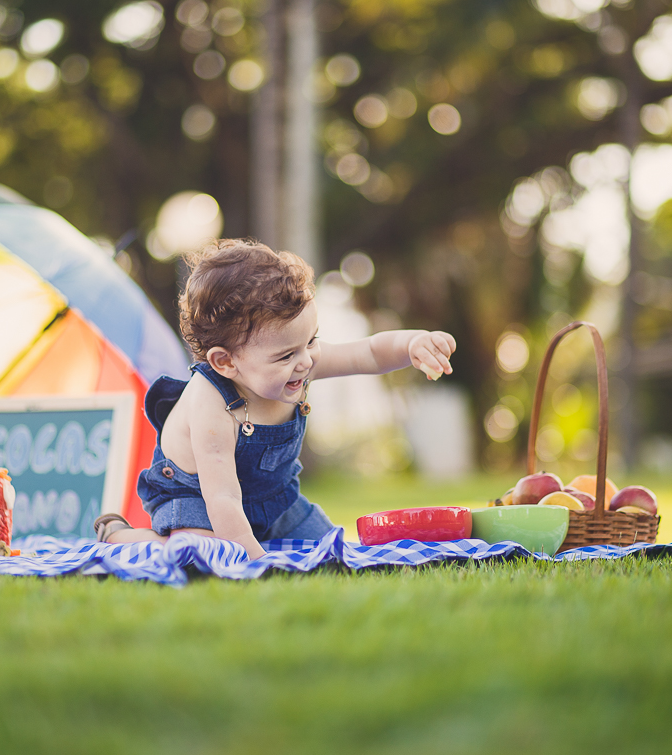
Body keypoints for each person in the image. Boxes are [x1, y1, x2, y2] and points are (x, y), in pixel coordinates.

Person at [94, 239, 456, 559]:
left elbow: (371, 354)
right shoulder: (211, 404)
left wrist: (412, 344)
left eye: (311, 341)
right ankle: (124, 535)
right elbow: (222, 499)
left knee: (330, 551)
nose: (306, 361)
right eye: (286, 356)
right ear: (226, 361)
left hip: (274, 497)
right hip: (197, 498)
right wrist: (255, 561)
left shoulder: (301, 359)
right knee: (199, 553)